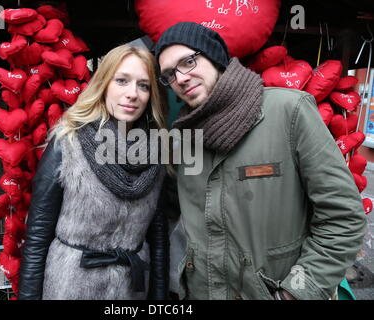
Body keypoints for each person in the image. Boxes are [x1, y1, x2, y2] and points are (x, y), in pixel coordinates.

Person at [154, 22, 367, 300]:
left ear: (215, 58)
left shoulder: (289, 112)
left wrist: (295, 292)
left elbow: (344, 218)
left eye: (188, 61)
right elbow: (171, 214)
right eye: (169, 74)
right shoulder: (184, 138)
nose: (180, 78)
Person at [18, 44, 169, 300]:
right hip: (69, 287)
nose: (132, 93)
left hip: (131, 290)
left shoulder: (156, 153)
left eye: (143, 85)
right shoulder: (68, 142)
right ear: (104, 84)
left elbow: (158, 240)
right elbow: (37, 236)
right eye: (122, 81)